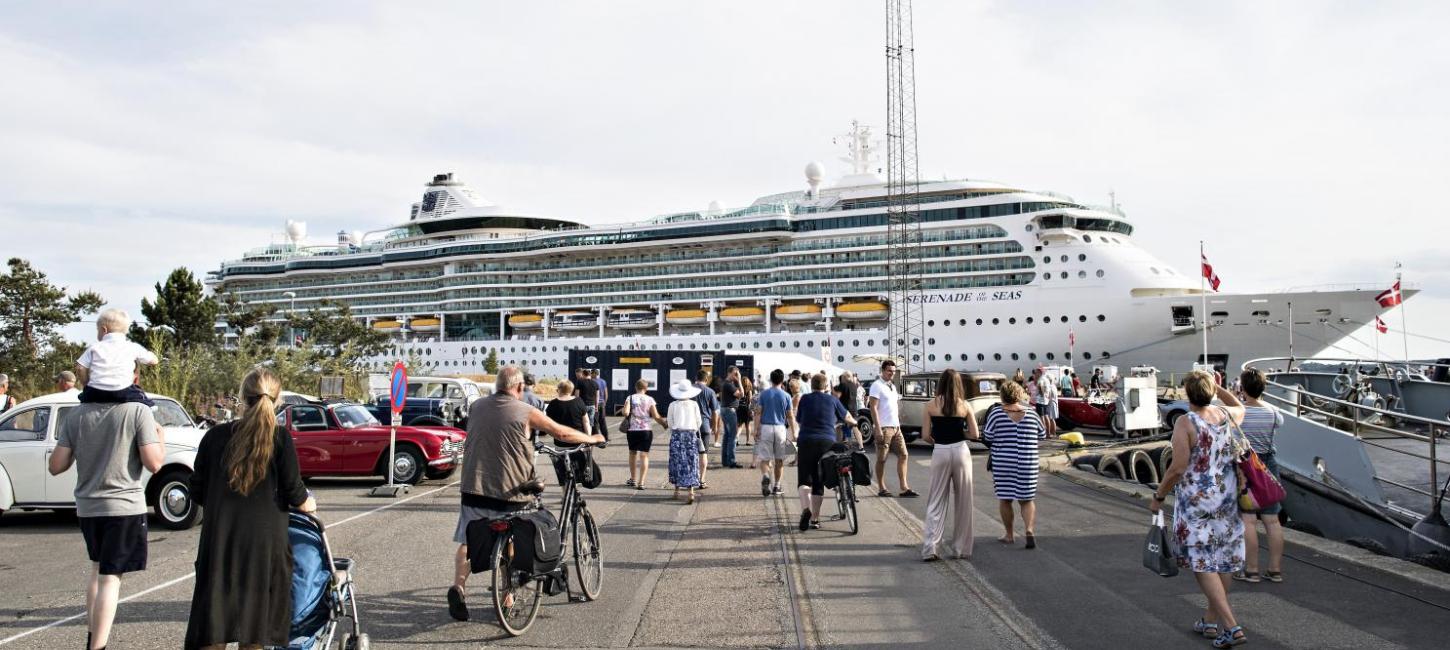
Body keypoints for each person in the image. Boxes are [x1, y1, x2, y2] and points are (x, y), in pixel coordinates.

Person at [446, 366, 603, 622]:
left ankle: (458, 588)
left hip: (473, 489)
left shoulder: (476, 407)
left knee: (467, 540)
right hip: (511, 492)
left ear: (497, 386)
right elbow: (561, 433)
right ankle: (508, 597)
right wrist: (592, 438)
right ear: (519, 388)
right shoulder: (527, 411)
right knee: (513, 537)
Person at [184, 368, 316, 649]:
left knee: (214, 626)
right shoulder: (280, 439)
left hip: (220, 542)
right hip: (264, 548)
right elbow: (296, 494)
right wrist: (310, 504)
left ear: (242, 398)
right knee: (255, 632)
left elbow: (196, 490)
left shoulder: (214, 437)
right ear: (277, 400)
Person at [48, 380, 165, 650]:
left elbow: (56, 465)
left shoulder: (77, 414)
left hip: (88, 507)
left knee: (97, 568)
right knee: (111, 578)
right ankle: (97, 646)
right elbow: (155, 462)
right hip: (123, 506)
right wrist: (159, 438)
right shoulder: (137, 410)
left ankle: (92, 635)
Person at [1151, 371, 1248, 648]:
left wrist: (1159, 495)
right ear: (1209, 391)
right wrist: (1218, 389)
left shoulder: (1186, 422)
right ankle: (1209, 620)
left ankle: (1232, 627)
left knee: (1202, 561)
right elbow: (1241, 407)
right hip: (1227, 499)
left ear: (1187, 393)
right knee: (1223, 560)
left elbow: (1178, 467)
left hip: (1197, 503)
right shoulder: (1225, 415)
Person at [921, 369, 981, 561]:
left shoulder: (930, 405)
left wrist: (938, 440)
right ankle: (960, 548)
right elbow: (975, 435)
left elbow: (924, 436)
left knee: (936, 500)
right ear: (958, 384)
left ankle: (931, 547)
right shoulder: (965, 405)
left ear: (940, 383)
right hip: (961, 452)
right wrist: (959, 434)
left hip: (940, 450)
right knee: (964, 501)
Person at [1236, 368, 1285, 584]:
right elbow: (1279, 426)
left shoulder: (1239, 413)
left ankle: (1252, 570)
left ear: (1243, 388)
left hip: (1247, 467)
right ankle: (1275, 570)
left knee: (1248, 520)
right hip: (1269, 467)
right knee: (1272, 521)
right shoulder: (1274, 412)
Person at [983, 381, 1044, 549]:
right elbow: (1043, 433)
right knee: (1026, 500)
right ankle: (1029, 530)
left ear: (1002, 395)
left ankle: (1009, 535)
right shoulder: (1031, 413)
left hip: (1003, 462)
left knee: (1006, 499)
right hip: (1028, 461)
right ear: (1019, 394)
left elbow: (987, 436)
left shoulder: (996, 413)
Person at [795, 373, 857, 530]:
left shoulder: (805, 399)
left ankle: (805, 509)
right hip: (826, 443)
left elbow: (799, 420)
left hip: (806, 441)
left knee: (804, 480)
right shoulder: (833, 400)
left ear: (812, 385)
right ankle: (815, 520)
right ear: (826, 386)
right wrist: (853, 423)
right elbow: (847, 416)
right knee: (818, 481)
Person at [75, 308, 159, 407]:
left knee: (83, 397)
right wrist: (153, 356)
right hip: (123, 390)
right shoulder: (132, 347)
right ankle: (151, 408)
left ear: (104, 330)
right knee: (142, 398)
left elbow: (80, 367)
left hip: (96, 391)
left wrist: (87, 384)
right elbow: (154, 361)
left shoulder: (94, 347)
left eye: (97, 330)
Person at [869, 360, 916, 498]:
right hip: (884, 428)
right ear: (882, 370)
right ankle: (882, 487)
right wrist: (877, 428)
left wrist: (900, 417)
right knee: (882, 459)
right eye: (889, 371)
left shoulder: (892, 386)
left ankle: (904, 487)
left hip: (896, 427)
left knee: (904, 455)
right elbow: (873, 408)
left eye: (894, 371)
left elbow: (892, 405)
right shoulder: (876, 386)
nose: (892, 373)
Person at [754, 369, 795, 497]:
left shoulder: (764, 394)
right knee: (779, 459)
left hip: (766, 427)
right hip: (780, 428)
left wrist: (756, 429)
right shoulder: (786, 396)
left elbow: (758, 412)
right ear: (782, 380)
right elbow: (790, 416)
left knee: (765, 459)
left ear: (771, 380)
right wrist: (794, 432)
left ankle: (766, 475)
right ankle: (777, 486)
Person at [620, 379, 666, 489]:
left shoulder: (630, 398)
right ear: (646, 388)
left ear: (636, 387)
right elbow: (656, 416)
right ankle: (641, 482)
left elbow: (625, 412)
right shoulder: (650, 399)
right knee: (644, 455)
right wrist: (664, 424)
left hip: (632, 430)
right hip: (646, 430)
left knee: (632, 453)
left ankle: (633, 479)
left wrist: (627, 411)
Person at [666, 379, 704, 504]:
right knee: (691, 462)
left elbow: (670, 423)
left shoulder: (673, 405)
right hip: (691, 435)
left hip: (677, 435)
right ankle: (691, 491)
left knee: (676, 462)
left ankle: (676, 490)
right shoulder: (694, 404)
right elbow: (699, 422)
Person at [690, 370, 720, 488]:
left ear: (695, 378)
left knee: (691, 453)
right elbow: (715, 411)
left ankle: (691, 479)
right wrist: (715, 426)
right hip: (705, 426)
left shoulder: (689, 389)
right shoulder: (710, 391)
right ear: (706, 380)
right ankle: (702, 480)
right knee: (703, 453)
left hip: (690, 426)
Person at [717, 367, 743, 468]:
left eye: (737, 374)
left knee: (727, 436)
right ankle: (731, 461)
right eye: (735, 374)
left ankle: (725, 461)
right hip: (729, 410)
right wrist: (740, 380)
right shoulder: (728, 384)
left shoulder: (727, 384)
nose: (736, 376)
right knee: (732, 436)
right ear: (729, 373)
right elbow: (742, 394)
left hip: (725, 410)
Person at [574, 368, 600, 440]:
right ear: (590, 374)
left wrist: (576, 405)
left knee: (582, 423)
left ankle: (582, 438)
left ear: (583, 374)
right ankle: (589, 438)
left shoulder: (580, 382)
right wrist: (596, 406)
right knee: (590, 423)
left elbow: (576, 395)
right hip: (592, 406)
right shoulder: (595, 383)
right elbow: (597, 396)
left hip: (582, 406)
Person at [591, 369, 608, 437]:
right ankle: (605, 437)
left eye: (591, 373)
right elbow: (606, 394)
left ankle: (596, 438)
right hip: (602, 404)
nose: (591, 375)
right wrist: (604, 403)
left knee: (595, 422)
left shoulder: (592, 381)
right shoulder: (603, 381)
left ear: (595, 373)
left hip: (595, 404)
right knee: (602, 421)